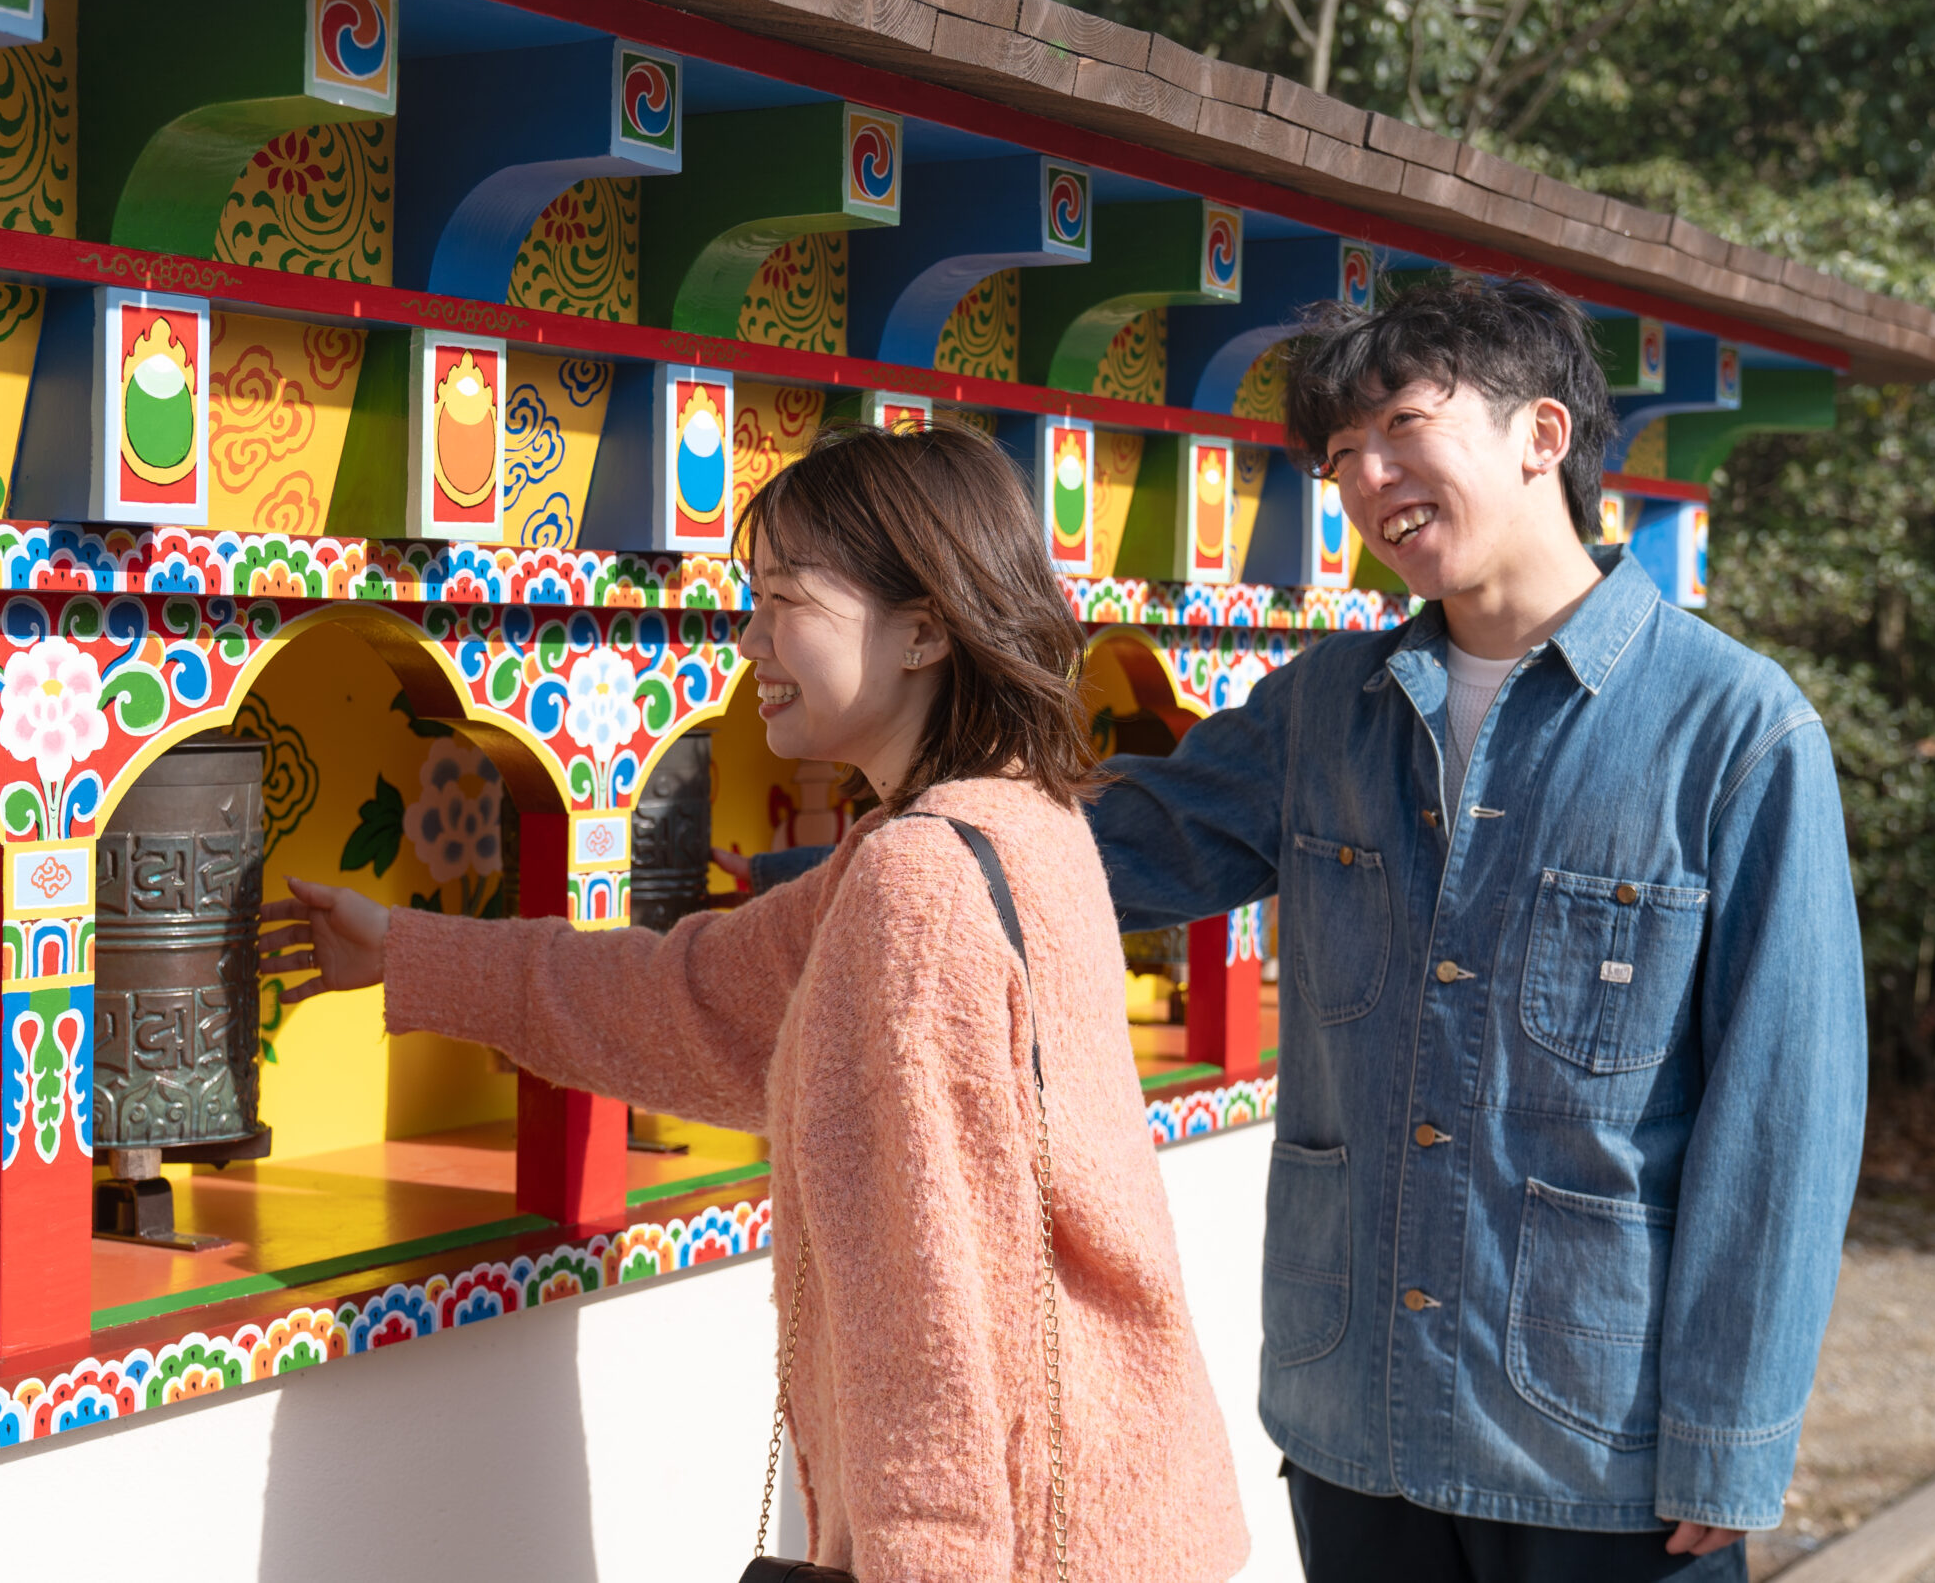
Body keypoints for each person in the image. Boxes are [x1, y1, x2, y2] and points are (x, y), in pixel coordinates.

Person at [259, 423, 1250, 1581]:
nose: (750, 642)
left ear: (924, 627)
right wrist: (411, 955)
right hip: (1112, 1510)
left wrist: (929, 1563)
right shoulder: (1014, 819)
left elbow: (924, 1302)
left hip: (1015, 1546)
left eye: (786, 602)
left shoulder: (919, 882)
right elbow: (689, 1000)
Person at [1092, 277, 1865, 1581]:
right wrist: (822, 869)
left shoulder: (1735, 729)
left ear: (1542, 434)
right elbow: (1100, 855)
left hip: (1601, 1457)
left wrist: (1730, 1435)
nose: (1368, 474)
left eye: (1401, 423)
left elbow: (1785, 1114)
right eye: (1341, 455)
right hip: (1358, 1430)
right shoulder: (1324, 707)